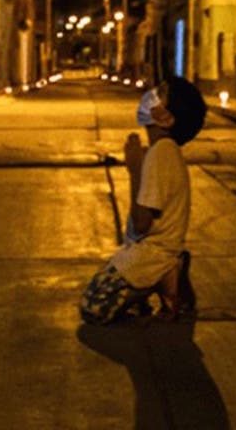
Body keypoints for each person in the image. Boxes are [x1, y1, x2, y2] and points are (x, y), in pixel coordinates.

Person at [80, 76, 207, 325]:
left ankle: (167, 276)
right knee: (105, 294)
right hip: (146, 250)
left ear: (167, 118)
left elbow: (142, 223)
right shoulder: (162, 151)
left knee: (93, 306)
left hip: (155, 254)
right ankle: (158, 281)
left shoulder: (161, 154)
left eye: (160, 93)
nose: (151, 95)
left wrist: (135, 169)